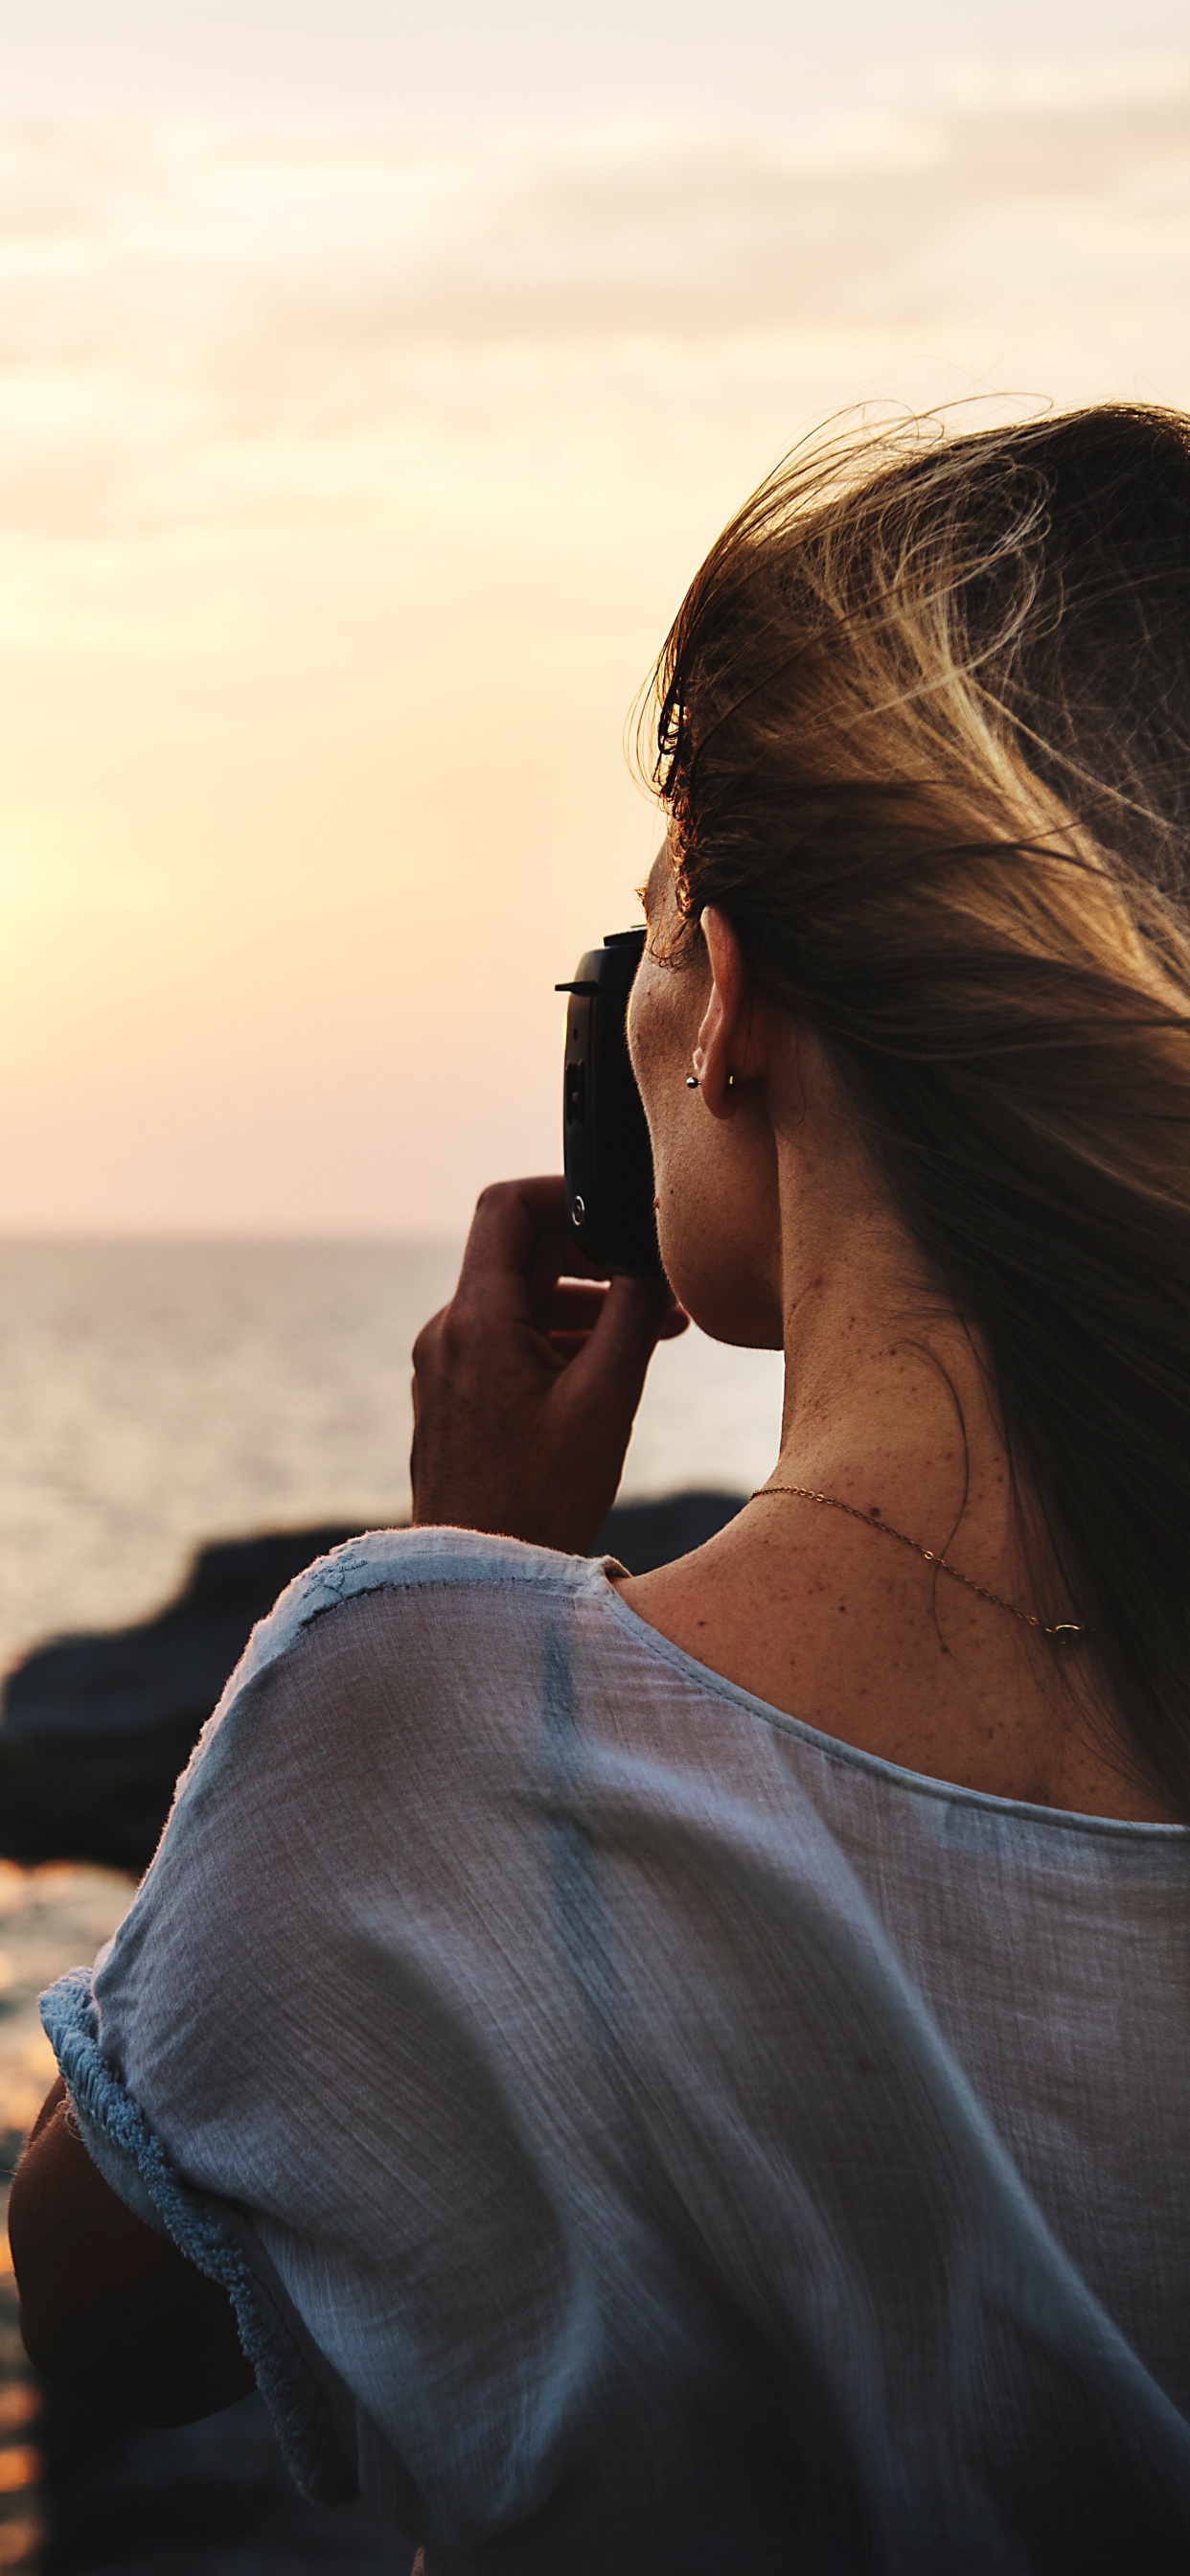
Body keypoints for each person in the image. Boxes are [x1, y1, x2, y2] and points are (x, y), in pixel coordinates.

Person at [11, 402, 1190, 2573]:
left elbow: (106, 2310)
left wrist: (473, 1574)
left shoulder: (417, 1690)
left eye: (655, 931)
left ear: (726, 1002)